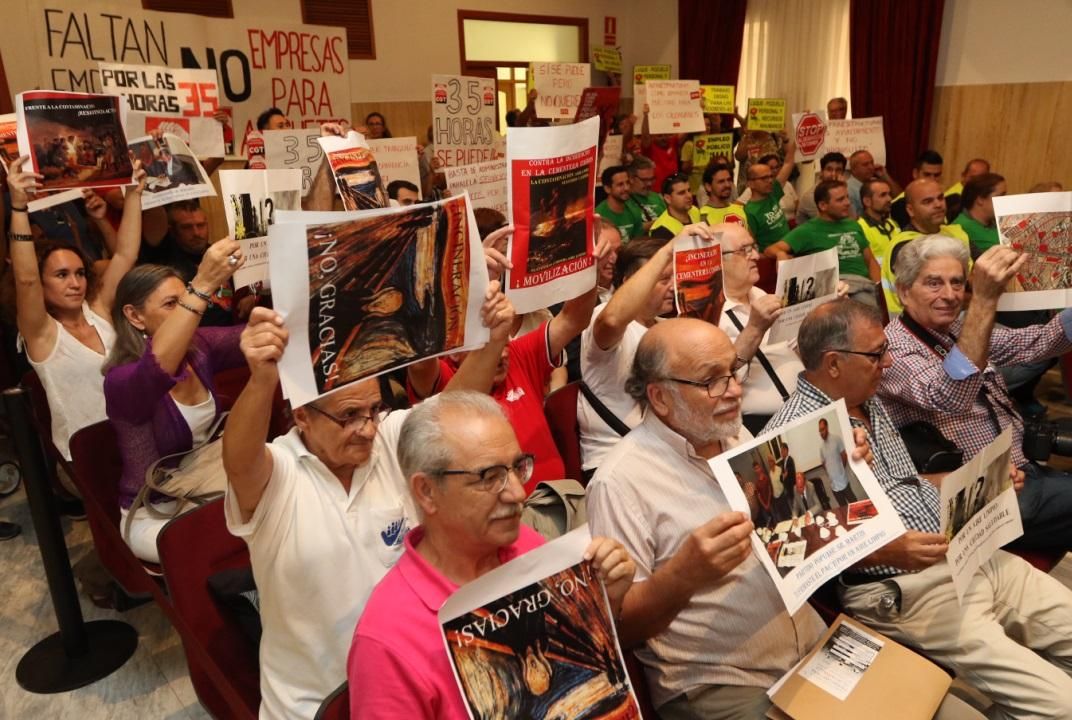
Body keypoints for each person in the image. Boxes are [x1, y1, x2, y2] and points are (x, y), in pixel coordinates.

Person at [765, 299, 1072, 719]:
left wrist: (978, 483)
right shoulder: (789, 439)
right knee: (1063, 706)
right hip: (911, 591)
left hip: (969, 554)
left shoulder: (865, 398)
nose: (889, 363)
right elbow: (794, 553)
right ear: (833, 363)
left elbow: (907, 483)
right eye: (877, 354)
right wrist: (883, 552)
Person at [221, 285, 512, 719]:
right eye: (348, 416)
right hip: (312, 704)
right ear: (302, 415)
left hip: (408, 676)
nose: (367, 429)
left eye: (374, 410)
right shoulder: (279, 474)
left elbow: (449, 411)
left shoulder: (389, 440)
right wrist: (262, 378)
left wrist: (493, 338)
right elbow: (239, 461)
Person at [587, 317, 888, 719]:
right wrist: (683, 575)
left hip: (810, 646)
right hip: (724, 683)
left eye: (733, 371)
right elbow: (620, 631)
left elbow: (798, 538)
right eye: (711, 381)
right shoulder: (620, 482)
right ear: (659, 398)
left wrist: (844, 473)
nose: (733, 390)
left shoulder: (736, 436)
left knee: (944, 703)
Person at [347, 391, 635, 718]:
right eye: (490, 477)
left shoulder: (525, 546)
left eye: (517, 467)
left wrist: (602, 603)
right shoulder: (387, 638)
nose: (518, 493)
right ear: (426, 492)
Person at [879, 236, 1072, 552]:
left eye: (957, 283)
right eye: (934, 283)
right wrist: (983, 299)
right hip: (979, 501)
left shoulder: (955, 329)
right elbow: (950, 397)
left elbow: (1035, 343)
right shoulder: (894, 349)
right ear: (903, 292)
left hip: (1020, 474)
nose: (950, 295)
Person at [102, 239, 245, 562]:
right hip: (156, 513)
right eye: (173, 304)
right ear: (135, 317)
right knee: (232, 540)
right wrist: (203, 283)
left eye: (188, 302)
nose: (189, 313)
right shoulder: (120, 380)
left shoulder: (200, 347)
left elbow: (251, 335)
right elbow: (156, 369)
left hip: (206, 489)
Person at [7, 155, 145, 461]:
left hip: (135, 439)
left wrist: (134, 193)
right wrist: (18, 207)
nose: (75, 283)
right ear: (42, 284)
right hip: (86, 458)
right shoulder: (42, 333)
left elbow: (124, 254)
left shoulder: (97, 309)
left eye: (80, 273)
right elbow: (26, 279)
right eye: (61, 275)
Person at [714, 223, 804, 433]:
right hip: (760, 426)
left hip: (803, 407)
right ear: (717, 261)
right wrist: (754, 328)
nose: (756, 256)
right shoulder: (711, 316)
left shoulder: (762, 295)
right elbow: (720, 378)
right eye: (744, 251)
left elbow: (797, 348)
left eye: (753, 247)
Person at [766, 179, 881, 305]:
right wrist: (781, 254)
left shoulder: (853, 225)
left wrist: (879, 288)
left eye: (847, 197)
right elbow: (770, 249)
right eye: (840, 200)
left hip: (864, 285)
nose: (848, 203)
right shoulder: (808, 230)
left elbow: (870, 260)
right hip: (834, 287)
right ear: (823, 205)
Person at [140, 200, 246, 326]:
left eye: (201, 225)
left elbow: (243, 285)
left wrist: (251, 296)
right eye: (186, 227)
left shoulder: (219, 254)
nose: (196, 233)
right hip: (192, 338)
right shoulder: (163, 259)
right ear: (172, 230)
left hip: (230, 334)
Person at [880, 179, 970, 315]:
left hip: (954, 318)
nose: (938, 205)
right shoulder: (905, 245)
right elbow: (934, 296)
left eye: (940, 198)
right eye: (928, 202)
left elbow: (978, 273)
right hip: (914, 325)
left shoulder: (956, 232)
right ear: (910, 210)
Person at [742, 135, 797, 251]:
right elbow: (750, 244)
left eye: (771, 177)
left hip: (790, 248)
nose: (770, 180)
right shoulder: (749, 212)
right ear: (750, 184)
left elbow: (788, 163)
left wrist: (798, 140)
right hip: (772, 258)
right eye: (764, 178)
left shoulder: (773, 192)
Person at [951, 172, 1006, 258]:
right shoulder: (960, 228)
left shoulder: (999, 222)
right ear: (980, 199)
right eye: (1000, 196)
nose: (1005, 200)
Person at [889, 150, 944, 227]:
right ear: (915, 173)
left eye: (937, 175)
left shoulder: (942, 200)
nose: (932, 180)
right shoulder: (899, 205)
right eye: (927, 174)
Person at [738, 153, 799, 217]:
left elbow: (788, 163)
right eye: (771, 168)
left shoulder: (784, 185)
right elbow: (737, 206)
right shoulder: (754, 190)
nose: (775, 170)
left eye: (777, 167)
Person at [857, 178, 898, 270]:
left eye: (889, 194)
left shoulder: (892, 224)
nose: (889, 199)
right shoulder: (860, 227)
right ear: (867, 201)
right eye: (883, 195)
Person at [795, 152, 847, 225]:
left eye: (838, 170)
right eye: (829, 169)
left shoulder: (841, 190)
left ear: (843, 173)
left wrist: (844, 188)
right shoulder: (812, 196)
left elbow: (852, 220)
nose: (833, 174)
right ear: (822, 172)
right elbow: (829, 224)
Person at [596, 165, 645, 241]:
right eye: (620, 184)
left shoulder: (634, 210)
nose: (626, 188)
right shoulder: (598, 215)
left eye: (627, 183)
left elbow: (638, 242)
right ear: (607, 189)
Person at [846, 150, 901, 216]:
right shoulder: (848, 189)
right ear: (853, 169)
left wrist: (885, 176)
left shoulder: (876, 183)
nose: (871, 167)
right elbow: (852, 219)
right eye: (865, 164)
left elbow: (899, 198)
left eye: (872, 163)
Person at [698, 163, 748, 229]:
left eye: (729, 180)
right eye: (721, 182)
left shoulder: (740, 210)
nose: (727, 185)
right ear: (708, 186)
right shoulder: (701, 216)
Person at [650, 174, 700, 239]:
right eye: (681, 193)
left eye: (689, 190)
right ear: (668, 198)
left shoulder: (694, 210)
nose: (689, 196)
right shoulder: (661, 229)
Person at [626, 156, 666, 228]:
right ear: (631, 178)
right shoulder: (624, 202)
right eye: (644, 180)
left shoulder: (656, 197)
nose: (649, 184)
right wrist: (660, 222)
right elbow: (631, 230)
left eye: (652, 179)